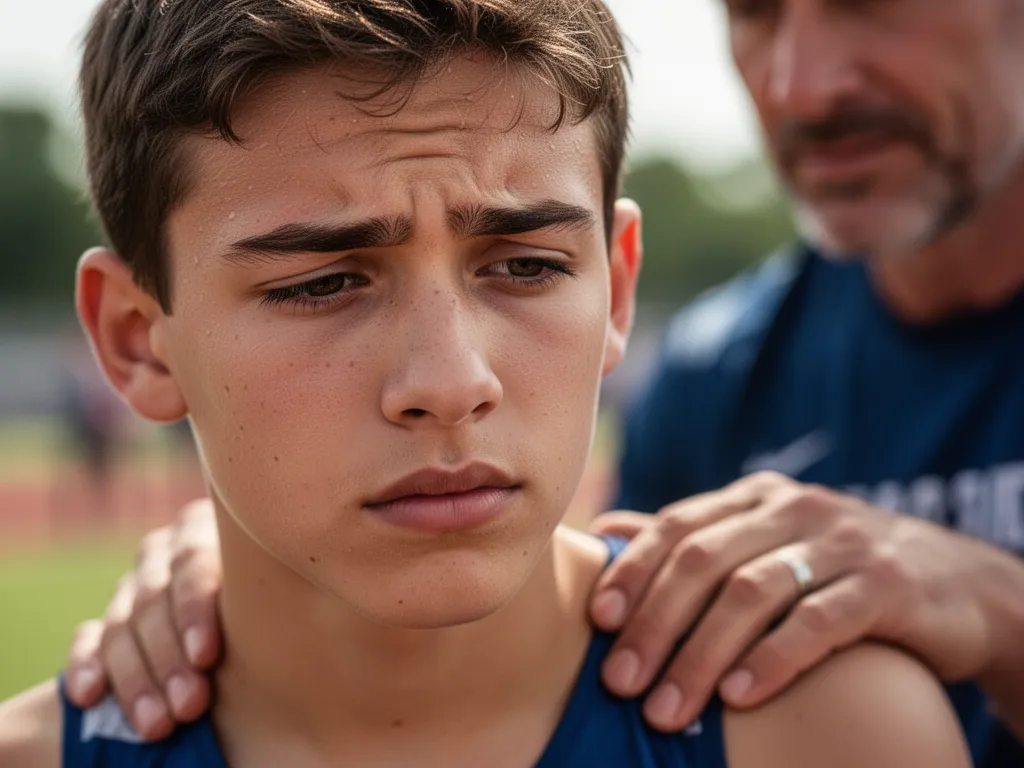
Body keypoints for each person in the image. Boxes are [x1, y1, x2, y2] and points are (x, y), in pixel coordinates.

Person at [0, 0, 975, 766]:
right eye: (321, 283)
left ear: (617, 286)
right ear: (137, 340)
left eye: (526, 266)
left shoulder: (831, 731)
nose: (450, 381)